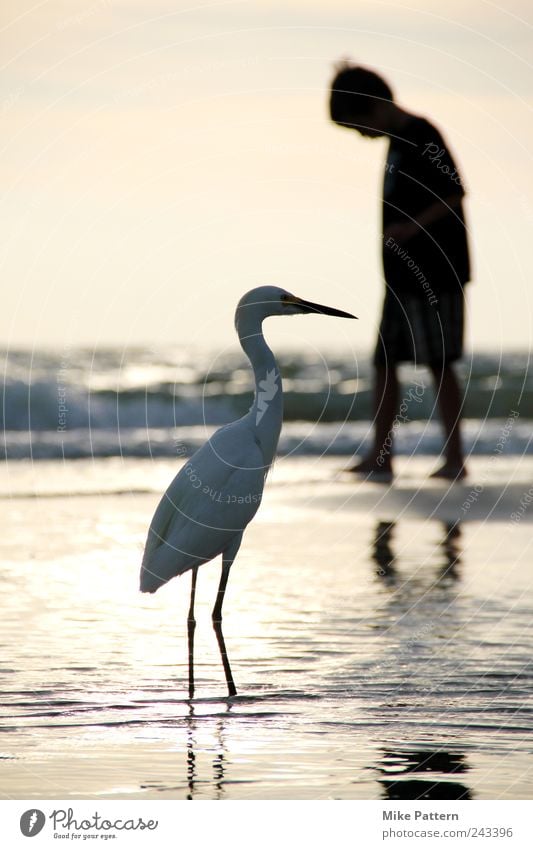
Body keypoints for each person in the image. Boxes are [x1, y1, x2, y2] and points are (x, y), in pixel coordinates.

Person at [329, 63, 471, 482]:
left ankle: (455, 459)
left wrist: (411, 227)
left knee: (439, 362)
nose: (362, 135)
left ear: (374, 107)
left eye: (359, 125)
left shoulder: (422, 135)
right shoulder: (395, 143)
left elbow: (454, 192)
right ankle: (381, 454)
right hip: (400, 278)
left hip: (436, 272)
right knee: (384, 361)